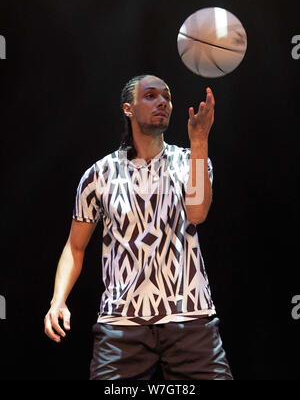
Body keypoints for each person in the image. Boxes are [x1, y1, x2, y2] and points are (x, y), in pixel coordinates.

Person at [44, 74, 233, 380]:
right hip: (121, 325)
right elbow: (75, 247)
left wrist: (199, 140)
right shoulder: (99, 174)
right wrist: (58, 300)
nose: (162, 102)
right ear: (128, 109)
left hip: (191, 318)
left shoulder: (191, 160)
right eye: (150, 96)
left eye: (167, 97)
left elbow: (197, 214)